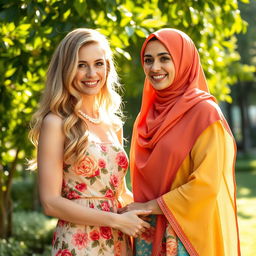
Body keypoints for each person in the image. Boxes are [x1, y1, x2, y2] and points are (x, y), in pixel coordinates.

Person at [28, 28, 151, 256]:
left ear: (108, 67)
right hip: (78, 243)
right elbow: (50, 202)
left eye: (98, 63)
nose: (91, 73)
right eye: (81, 64)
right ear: (66, 69)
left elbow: (119, 193)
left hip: (118, 241)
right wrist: (116, 220)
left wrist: (161, 208)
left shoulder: (113, 123)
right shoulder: (56, 122)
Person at [120, 28, 241, 256]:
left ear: (184, 61)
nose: (154, 68)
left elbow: (208, 184)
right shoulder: (146, 117)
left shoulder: (205, 114)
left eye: (165, 58)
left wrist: (148, 207)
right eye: (148, 60)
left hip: (187, 235)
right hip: (148, 232)